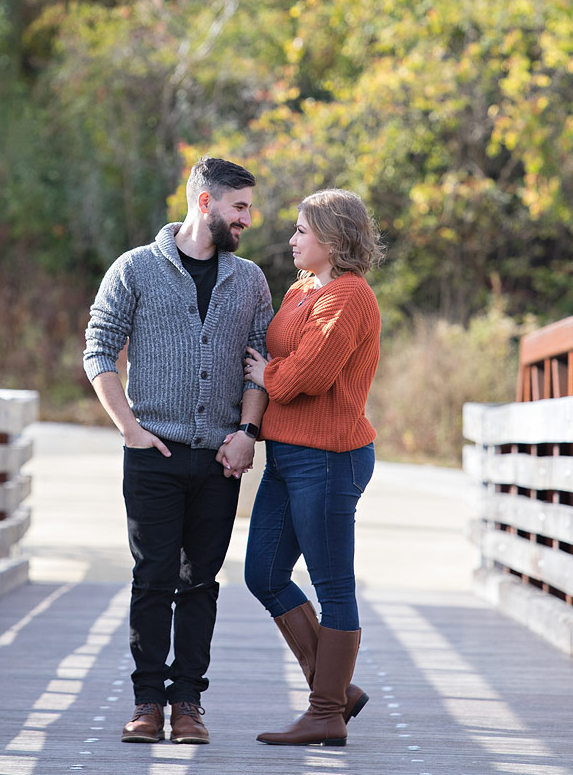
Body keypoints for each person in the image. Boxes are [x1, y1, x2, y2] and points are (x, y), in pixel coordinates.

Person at [84, 156, 273, 745]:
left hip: (219, 459)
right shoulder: (134, 269)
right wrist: (130, 430)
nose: (248, 218)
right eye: (238, 207)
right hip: (153, 455)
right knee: (152, 578)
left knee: (201, 583)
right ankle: (147, 704)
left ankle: (188, 703)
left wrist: (247, 432)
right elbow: (99, 351)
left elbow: (260, 364)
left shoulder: (250, 280)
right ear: (204, 203)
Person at [241, 188, 383, 747]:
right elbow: (286, 357)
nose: (292, 239)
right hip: (288, 453)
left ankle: (325, 710)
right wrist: (275, 368)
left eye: (302, 230)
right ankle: (337, 693)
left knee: (333, 584)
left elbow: (308, 375)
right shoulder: (303, 289)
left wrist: (267, 373)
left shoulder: (349, 297)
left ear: (333, 238)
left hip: (330, 458)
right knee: (263, 573)